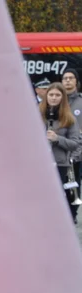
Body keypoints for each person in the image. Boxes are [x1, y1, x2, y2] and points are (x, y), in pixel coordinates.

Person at [42, 82, 82, 214]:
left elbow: (75, 143)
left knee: (55, 201)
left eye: (57, 95)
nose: (54, 97)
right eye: (51, 94)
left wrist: (57, 139)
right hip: (39, 164)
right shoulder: (36, 115)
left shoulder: (69, 119)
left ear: (63, 98)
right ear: (46, 96)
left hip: (59, 164)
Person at [63, 69, 82, 222]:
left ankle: (72, 214)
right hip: (59, 149)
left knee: (74, 183)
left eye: (71, 78)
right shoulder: (57, 100)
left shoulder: (80, 102)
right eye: (65, 78)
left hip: (77, 149)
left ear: (76, 81)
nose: (68, 81)